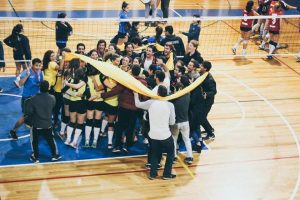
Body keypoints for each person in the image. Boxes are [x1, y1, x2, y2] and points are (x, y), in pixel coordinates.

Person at [134, 85, 176, 180]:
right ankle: (167, 174)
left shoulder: (151, 102)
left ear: (157, 93)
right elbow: (172, 122)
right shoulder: (170, 105)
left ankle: (153, 174)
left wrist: (135, 94)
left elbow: (138, 104)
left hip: (152, 135)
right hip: (165, 135)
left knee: (154, 153)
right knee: (171, 153)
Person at [26, 80, 61, 163]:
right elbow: (52, 107)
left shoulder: (33, 99)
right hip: (48, 124)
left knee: (34, 141)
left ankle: (36, 157)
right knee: (50, 140)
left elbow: (29, 112)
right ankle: (54, 155)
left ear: (39, 87)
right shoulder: (53, 98)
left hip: (36, 124)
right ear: (48, 88)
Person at [10, 58, 43, 140]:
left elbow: (40, 83)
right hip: (27, 98)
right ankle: (13, 130)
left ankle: (35, 129)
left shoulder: (41, 72)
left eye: (39, 65)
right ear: (32, 65)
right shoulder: (26, 72)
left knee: (37, 114)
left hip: (36, 97)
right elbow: (19, 84)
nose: (38, 67)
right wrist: (27, 76)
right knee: (25, 117)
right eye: (36, 65)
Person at [189, 61, 217, 153]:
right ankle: (210, 129)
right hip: (202, 101)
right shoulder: (202, 75)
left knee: (201, 117)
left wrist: (205, 94)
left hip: (207, 102)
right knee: (202, 117)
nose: (199, 67)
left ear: (205, 68)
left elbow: (214, 91)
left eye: (201, 66)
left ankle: (210, 133)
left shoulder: (209, 79)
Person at [170, 76, 193, 165]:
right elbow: (190, 87)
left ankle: (174, 157)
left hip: (176, 123)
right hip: (185, 122)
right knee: (187, 139)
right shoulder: (188, 95)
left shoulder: (173, 98)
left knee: (174, 139)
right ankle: (190, 157)